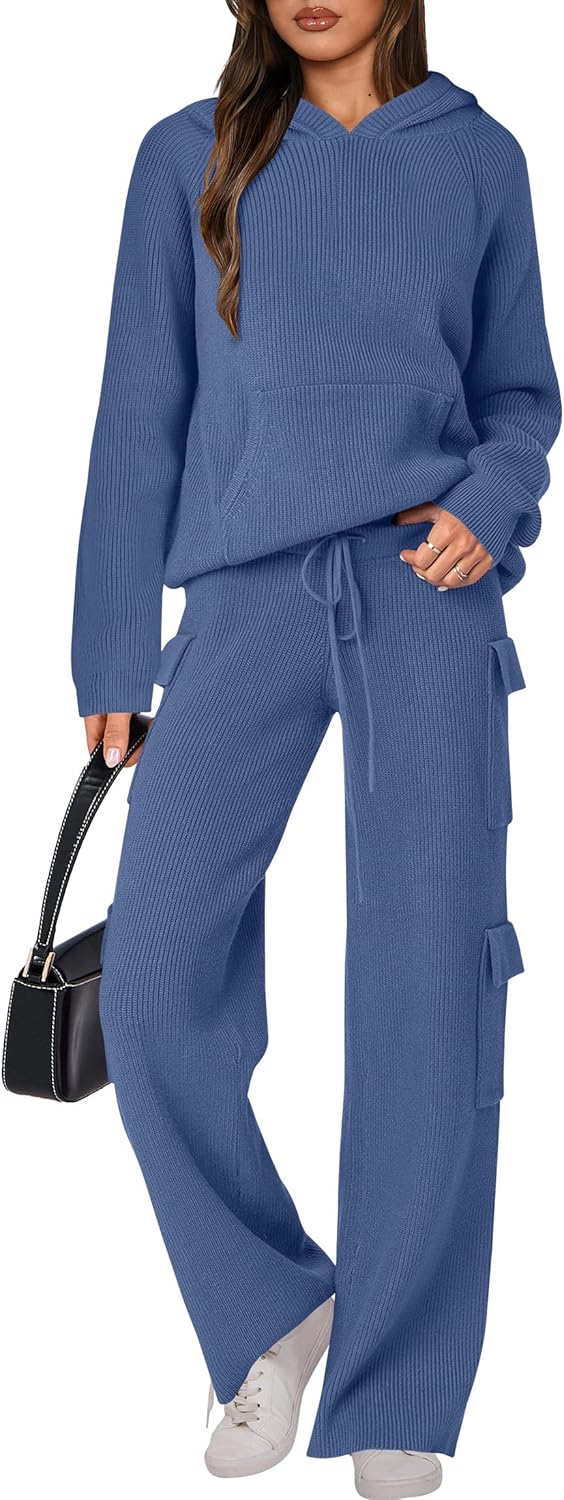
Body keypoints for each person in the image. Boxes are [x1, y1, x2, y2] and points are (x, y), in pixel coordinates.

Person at [70, 3, 560, 1496]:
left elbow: (520, 394)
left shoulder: (475, 155)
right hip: (242, 597)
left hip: (425, 589)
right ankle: (272, 1310)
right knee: (151, 978)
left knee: (429, 986)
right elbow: (139, 404)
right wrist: (109, 642)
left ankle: (401, 1386)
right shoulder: (189, 155)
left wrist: (489, 499)